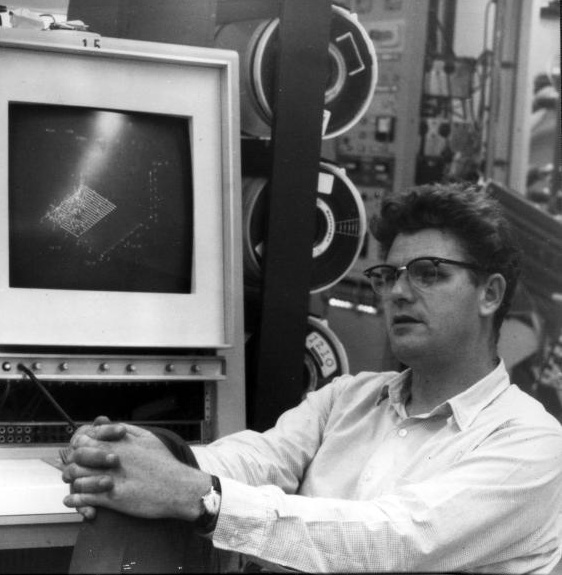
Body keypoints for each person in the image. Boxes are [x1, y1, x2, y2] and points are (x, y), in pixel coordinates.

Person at [60, 183, 562, 573]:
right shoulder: (350, 398)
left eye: (429, 272)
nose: (399, 293)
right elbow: (260, 458)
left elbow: (396, 541)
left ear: (490, 294)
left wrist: (200, 495)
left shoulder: (531, 443)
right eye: (389, 276)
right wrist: (136, 454)